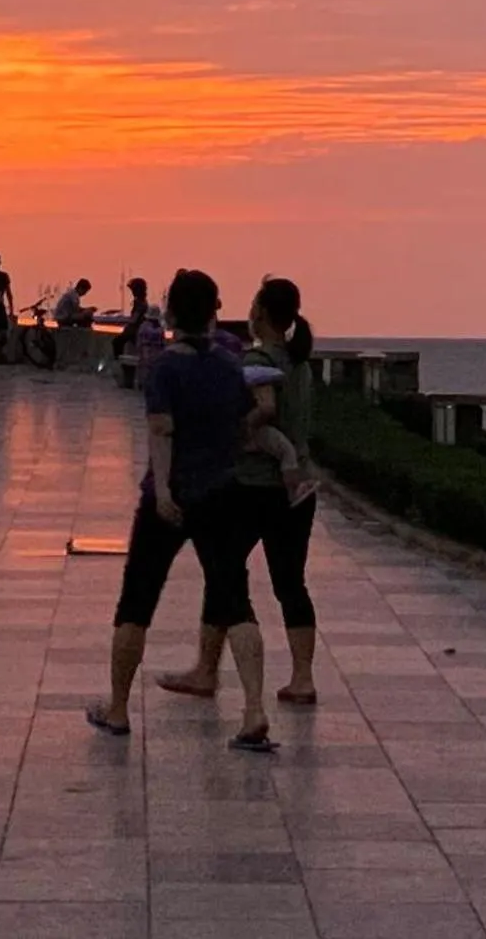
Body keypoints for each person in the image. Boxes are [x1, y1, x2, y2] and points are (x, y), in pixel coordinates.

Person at [87, 269, 269, 750]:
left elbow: (162, 432)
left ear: (169, 312)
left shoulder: (165, 368)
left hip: (167, 496)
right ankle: (253, 711)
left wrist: (165, 492)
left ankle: (119, 709)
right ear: (215, 310)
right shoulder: (232, 366)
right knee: (235, 601)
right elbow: (251, 419)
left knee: (137, 602)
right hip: (221, 493)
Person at [159, 277, 321, 709]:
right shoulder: (300, 362)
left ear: (262, 313)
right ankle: (302, 678)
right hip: (299, 488)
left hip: (252, 486)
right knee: (291, 583)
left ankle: (206, 671)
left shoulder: (257, 359)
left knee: (224, 575)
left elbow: (262, 409)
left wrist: (229, 433)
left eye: (253, 303)